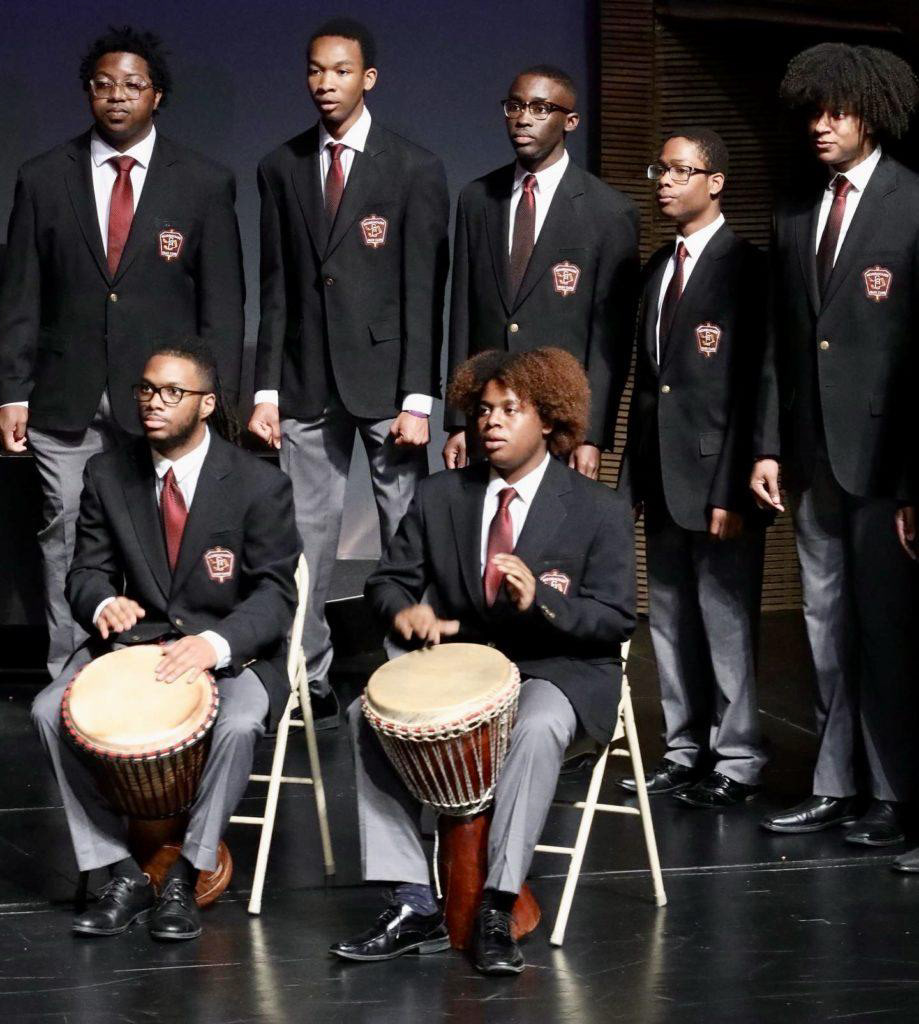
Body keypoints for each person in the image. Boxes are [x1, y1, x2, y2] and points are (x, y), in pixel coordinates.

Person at [330, 347, 636, 975]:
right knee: (367, 714)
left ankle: (497, 904)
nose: (491, 422)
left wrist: (545, 601)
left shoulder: (597, 509)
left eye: (511, 410)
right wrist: (403, 612)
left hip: (560, 669)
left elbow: (614, 619)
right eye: (484, 409)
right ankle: (412, 900)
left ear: (549, 420)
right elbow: (387, 581)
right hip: (462, 667)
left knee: (538, 723)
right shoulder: (443, 496)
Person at [31, 342, 300, 941]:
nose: (154, 403)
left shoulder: (259, 483)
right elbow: (86, 572)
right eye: (147, 389)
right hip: (138, 644)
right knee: (48, 711)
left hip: (233, 650)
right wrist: (103, 602)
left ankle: (187, 869)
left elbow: (276, 596)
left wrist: (215, 644)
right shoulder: (108, 471)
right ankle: (119, 871)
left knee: (237, 724)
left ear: (206, 404)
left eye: (172, 393)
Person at [0, 26, 245, 678]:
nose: (117, 96)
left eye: (132, 85)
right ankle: (73, 682)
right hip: (65, 395)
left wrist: (214, 400)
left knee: (166, 540)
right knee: (67, 539)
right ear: (87, 93)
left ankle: (166, 678)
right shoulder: (43, 178)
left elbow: (221, 304)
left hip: (164, 398)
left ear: (157, 96)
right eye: (104, 84)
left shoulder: (202, 182)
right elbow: (21, 295)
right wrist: (12, 390)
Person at [249, 18, 449, 729]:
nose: (324, 83)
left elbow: (425, 289)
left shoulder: (412, 167)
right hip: (305, 379)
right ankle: (308, 677)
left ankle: (410, 675)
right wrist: (265, 389)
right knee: (304, 536)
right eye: (314, 70)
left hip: (388, 385)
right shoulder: (280, 166)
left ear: (367, 79)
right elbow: (275, 286)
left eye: (339, 70)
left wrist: (419, 396)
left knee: (403, 532)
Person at [752, 44, 919, 846]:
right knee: (823, 628)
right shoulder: (794, 215)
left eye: (837, 111)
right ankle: (833, 783)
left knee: (885, 634)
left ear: (871, 114)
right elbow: (781, 348)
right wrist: (766, 446)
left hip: (886, 465)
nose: (821, 125)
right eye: (813, 111)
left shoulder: (912, 204)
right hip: (812, 457)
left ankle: (893, 794)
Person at [619, 129, 770, 808]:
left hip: (717, 477)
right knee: (670, 618)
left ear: (715, 182)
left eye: (681, 171)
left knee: (724, 620)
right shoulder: (656, 266)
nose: (664, 181)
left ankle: (736, 759)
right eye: (660, 169)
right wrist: (630, 478)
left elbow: (751, 383)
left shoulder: (746, 268)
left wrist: (732, 483)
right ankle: (683, 750)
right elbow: (649, 387)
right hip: (659, 472)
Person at [443, 64, 639, 478]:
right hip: (487, 416)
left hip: (561, 424)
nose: (523, 117)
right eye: (514, 105)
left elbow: (611, 342)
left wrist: (592, 435)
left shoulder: (609, 211)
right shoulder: (477, 199)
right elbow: (462, 312)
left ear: (570, 121)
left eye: (539, 107)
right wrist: (457, 421)